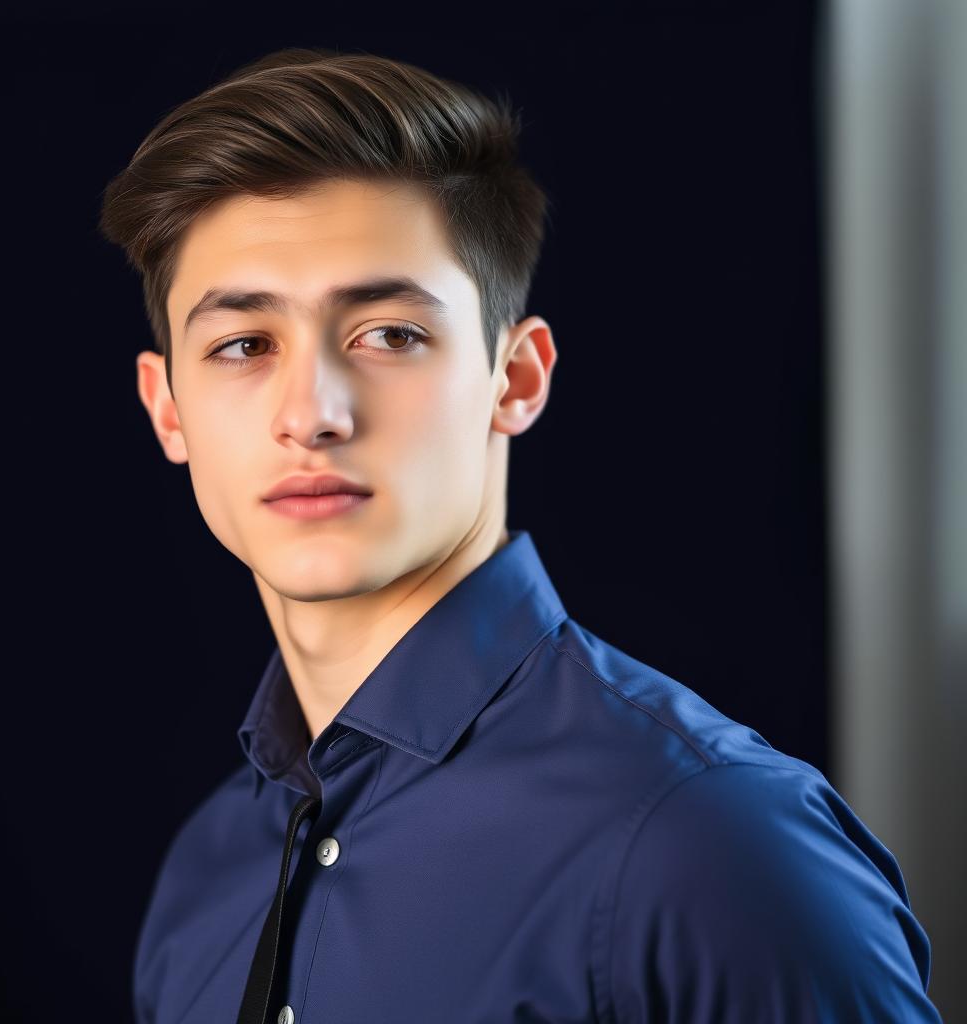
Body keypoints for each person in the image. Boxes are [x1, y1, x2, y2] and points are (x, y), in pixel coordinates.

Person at [98, 46, 943, 1024]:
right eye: (243, 344)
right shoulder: (207, 875)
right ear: (168, 409)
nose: (313, 413)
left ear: (517, 376)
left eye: (388, 333)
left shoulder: (713, 844)